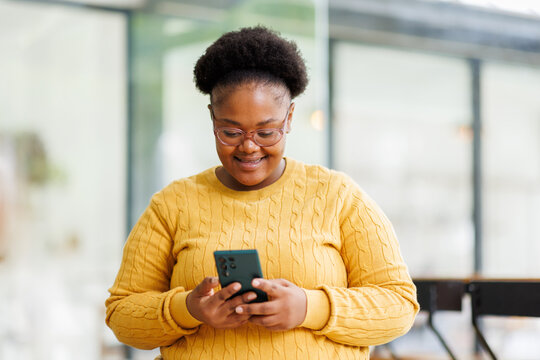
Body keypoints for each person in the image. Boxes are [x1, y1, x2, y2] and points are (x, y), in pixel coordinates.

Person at [105, 26, 418, 360]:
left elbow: (399, 305)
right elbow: (122, 315)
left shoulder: (338, 197)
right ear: (212, 118)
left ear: (290, 118)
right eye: (231, 131)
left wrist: (310, 308)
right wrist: (188, 309)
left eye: (267, 132)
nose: (249, 147)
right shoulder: (172, 205)